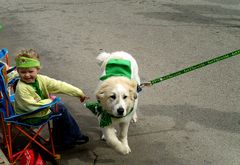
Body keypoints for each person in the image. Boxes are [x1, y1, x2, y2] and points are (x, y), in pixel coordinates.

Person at [14, 48, 89, 149]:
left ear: (38, 70)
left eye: (30, 71)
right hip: (29, 116)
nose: (27, 75)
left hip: (39, 110)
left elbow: (59, 85)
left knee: (58, 109)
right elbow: (31, 106)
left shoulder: (41, 79)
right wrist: (51, 101)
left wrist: (78, 93)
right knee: (60, 108)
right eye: (23, 72)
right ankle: (72, 136)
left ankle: (61, 139)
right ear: (18, 71)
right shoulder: (21, 88)